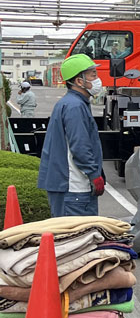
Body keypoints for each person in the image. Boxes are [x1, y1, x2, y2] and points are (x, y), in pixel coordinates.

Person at [37, 54, 105, 217]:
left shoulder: (72, 103)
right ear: (79, 81)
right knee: (76, 239)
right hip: (73, 187)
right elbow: (80, 146)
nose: (97, 79)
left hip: (68, 186)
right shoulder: (75, 107)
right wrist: (94, 175)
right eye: (92, 75)